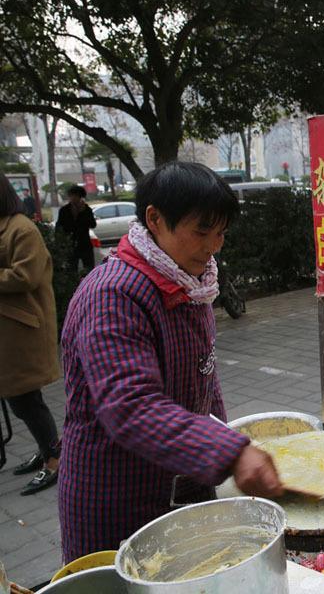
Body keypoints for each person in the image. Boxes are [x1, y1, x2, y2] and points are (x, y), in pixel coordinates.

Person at [58, 162, 285, 562]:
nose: (214, 246)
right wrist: (230, 453)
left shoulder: (190, 282)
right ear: (155, 219)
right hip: (116, 500)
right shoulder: (114, 294)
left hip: (184, 487)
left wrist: (230, 448)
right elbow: (131, 407)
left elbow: (205, 380)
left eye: (221, 234)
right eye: (202, 231)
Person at [0, 173, 61, 496]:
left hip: (22, 331)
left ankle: (55, 458)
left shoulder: (21, 229)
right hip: (8, 332)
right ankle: (46, 449)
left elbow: (26, 275)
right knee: (19, 401)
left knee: (26, 399)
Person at [55, 185, 97, 271]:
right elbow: (59, 226)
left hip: (85, 243)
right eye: (71, 196)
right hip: (70, 244)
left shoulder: (87, 210)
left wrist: (82, 214)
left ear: (80, 196)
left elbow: (93, 224)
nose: (72, 198)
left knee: (89, 269)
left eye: (75, 196)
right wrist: (60, 242)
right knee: (71, 269)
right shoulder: (64, 210)